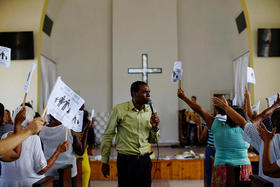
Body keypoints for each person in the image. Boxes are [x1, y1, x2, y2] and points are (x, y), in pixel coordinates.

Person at [178, 88, 252, 186]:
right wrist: (248, 98)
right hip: (244, 168)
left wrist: (184, 98)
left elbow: (199, 110)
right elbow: (252, 115)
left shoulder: (217, 125)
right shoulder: (248, 127)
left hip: (222, 166)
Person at [212, 94, 280, 186]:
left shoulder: (264, 137)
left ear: (271, 123)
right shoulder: (265, 136)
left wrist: (226, 107)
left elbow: (241, 122)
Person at [101, 81, 160, 187]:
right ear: (134, 93)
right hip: (126, 161)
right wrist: (105, 161)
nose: (149, 95)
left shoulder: (151, 110)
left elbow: (154, 140)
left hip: (144, 160)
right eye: (145, 92)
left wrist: (155, 127)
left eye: (149, 92)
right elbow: (108, 135)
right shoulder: (119, 109)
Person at [0, 105, 69, 186]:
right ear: (30, 122)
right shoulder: (33, 138)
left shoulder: (4, 136)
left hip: (6, 184)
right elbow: (42, 170)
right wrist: (58, 151)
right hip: (29, 184)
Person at [40, 114, 92, 187]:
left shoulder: (42, 130)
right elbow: (80, 151)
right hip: (69, 174)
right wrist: (86, 130)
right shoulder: (69, 129)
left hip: (49, 173)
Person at [192, 114, 215, 187]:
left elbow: (201, 139)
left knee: (208, 174)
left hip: (212, 149)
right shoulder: (228, 120)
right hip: (220, 149)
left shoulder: (210, 120)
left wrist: (198, 124)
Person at [76, 106, 95, 187]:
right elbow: (91, 152)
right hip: (84, 165)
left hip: (68, 165)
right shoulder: (89, 129)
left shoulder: (68, 129)